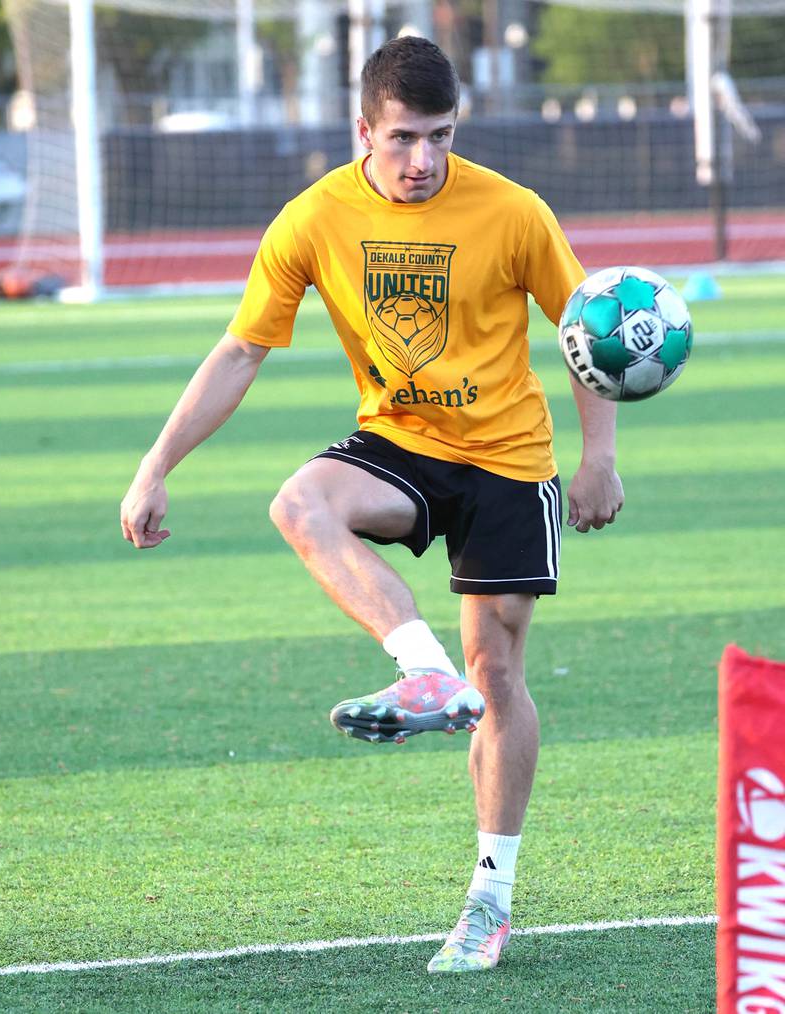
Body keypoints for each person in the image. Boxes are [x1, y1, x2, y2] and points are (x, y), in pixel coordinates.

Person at [120, 36, 624, 974]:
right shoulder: (314, 218)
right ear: (365, 129)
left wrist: (600, 458)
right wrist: (156, 466)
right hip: (401, 440)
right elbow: (240, 352)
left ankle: (490, 898)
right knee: (300, 501)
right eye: (402, 139)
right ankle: (421, 670)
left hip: (510, 459)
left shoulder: (514, 211)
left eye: (440, 136)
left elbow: (584, 322)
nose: (423, 159)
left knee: (500, 671)